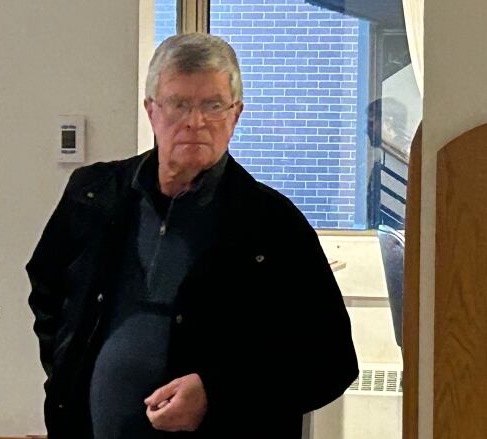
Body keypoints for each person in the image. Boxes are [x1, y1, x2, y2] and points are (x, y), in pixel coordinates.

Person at [27, 32, 358, 438]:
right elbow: (47, 290)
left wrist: (218, 394)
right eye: (179, 104)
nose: (195, 121)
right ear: (151, 111)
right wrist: (67, 367)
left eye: (212, 105)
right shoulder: (94, 194)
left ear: (236, 115)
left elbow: (330, 361)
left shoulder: (273, 224)